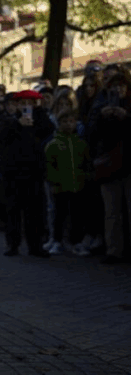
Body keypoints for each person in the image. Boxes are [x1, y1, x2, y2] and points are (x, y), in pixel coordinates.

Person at [0, 90, 54, 257]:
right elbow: (0, 140)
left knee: (35, 210)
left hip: (34, 171)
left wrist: (39, 112)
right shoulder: (9, 120)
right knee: (13, 210)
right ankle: (12, 244)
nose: (26, 106)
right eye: (23, 103)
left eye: (30, 103)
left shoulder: (40, 118)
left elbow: (49, 129)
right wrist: (18, 124)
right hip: (13, 172)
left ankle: (36, 245)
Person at [87, 68, 131, 264]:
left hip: (128, 164)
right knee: (112, 212)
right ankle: (114, 250)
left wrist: (126, 117)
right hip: (109, 166)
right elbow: (92, 134)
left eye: (121, 86)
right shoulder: (100, 105)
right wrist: (102, 117)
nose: (118, 90)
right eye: (114, 87)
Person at [45, 109, 91, 256]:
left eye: (71, 121)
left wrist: (84, 177)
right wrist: (54, 181)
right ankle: (57, 241)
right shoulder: (54, 144)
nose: (68, 124)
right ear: (59, 124)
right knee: (60, 215)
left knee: (78, 215)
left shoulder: (81, 144)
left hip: (78, 185)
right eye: (65, 122)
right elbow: (49, 165)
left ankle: (77, 242)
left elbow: (86, 163)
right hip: (60, 186)